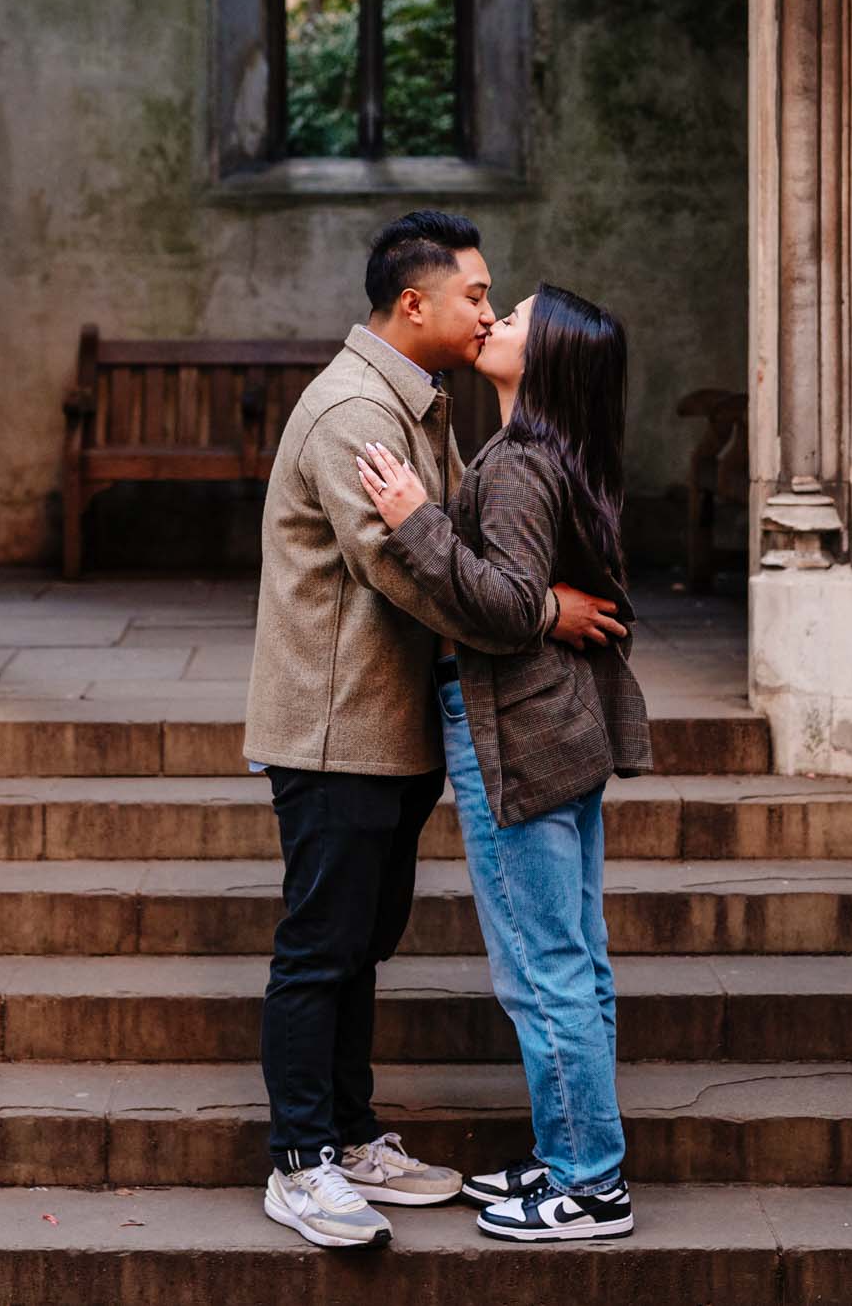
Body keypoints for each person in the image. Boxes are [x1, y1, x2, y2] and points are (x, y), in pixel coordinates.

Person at [242, 215, 623, 1250]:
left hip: (391, 722)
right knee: (321, 947)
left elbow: (450, 539)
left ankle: (353, 1133)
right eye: (474, 293)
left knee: (362, 941)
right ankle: (301, 1157)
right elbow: (408, 563)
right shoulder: (354, 410)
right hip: (335, 729)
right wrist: (543, 610)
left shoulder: (426, 404)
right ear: (414, 302)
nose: (488, 311)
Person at [356, 283, 651, 1243]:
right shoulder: (552, 453)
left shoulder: (522, 463)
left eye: (513, 317)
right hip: (562, 728)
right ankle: (572, 1151)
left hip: (517, 734)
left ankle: (587, 1182)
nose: (491, 322)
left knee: (540, 964)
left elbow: (502, 600)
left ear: (548, 357)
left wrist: (415, 518)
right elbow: (540, 593)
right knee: (579, 956)